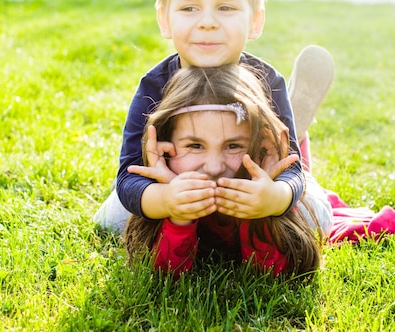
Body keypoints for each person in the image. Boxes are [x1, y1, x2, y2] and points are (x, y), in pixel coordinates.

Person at [94, 0, 334, 234]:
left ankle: (293, 130)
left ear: (255, 21)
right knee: (110, 222)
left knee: (318, 221)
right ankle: (295, 126)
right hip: (179, 189)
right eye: (189, 9)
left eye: (226, 7)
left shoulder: (267, 83)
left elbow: (291, 173)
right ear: (164, 19)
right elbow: (129, 176)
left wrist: (274, 198)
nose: (207, 22)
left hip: (249, 186)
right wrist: (166, 199)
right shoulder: (154, 87)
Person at [125, 64, 324, 279]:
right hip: (156, 187)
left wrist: (259, 210)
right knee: (109, 219)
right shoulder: (159, 192)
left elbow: (277, 273)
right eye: (195, 145)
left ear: (259, 145)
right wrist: (179, 216)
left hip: (284, 182)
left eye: (233, 146)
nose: (214, 167)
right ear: (165, 146)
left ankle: (296, 142)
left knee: (316, 214)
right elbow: (165, 274)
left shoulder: (267, 187)